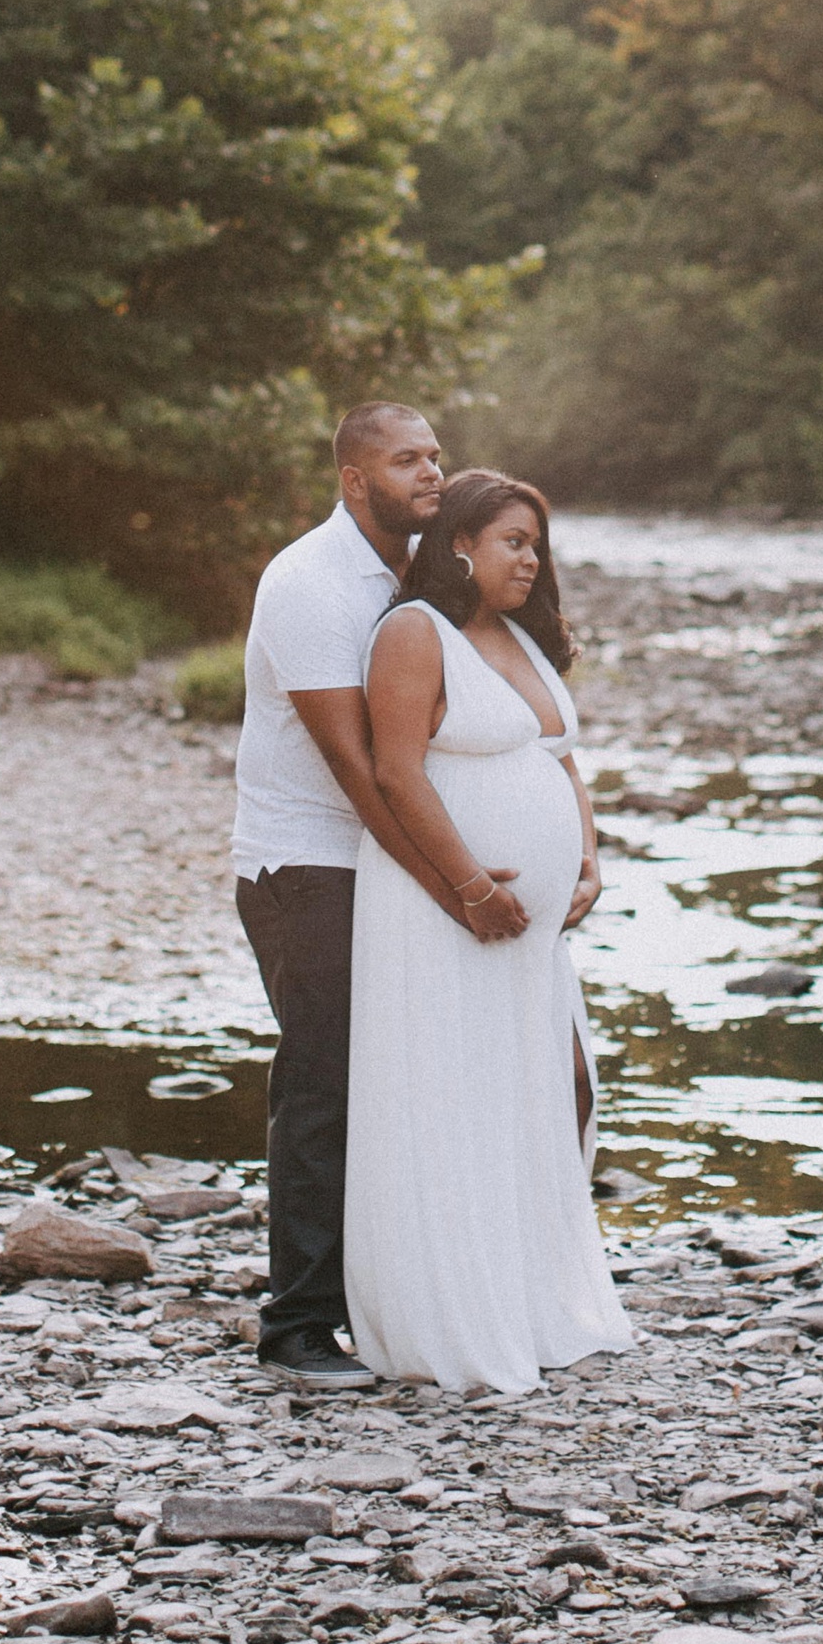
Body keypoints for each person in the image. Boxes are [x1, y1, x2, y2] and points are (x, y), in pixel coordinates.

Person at [343, 469, 635, 1395]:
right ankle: (450, 1316)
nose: (531, 559)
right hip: (446, 913)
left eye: (537, 544)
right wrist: (471, 883)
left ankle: (526, 1295)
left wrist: (586, 861)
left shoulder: (515, 636)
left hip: (532, 931)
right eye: (515, 541)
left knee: (542, 1088)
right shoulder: (411, 633)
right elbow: (396, 773)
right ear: (462, 543)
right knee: (451, 1094)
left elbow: (562, 761)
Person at [232, 402, 467, 1386]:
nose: (431, 474)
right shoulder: (311, 581)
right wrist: (454, 883)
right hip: (306, 866)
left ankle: (379, 1303)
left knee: (392, 1083)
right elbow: (357, 769)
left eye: (436, 457)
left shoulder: (414, 580)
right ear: (352, 481)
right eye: (406, 460)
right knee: (322, 1084)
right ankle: (293, 1327)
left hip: (376, 866)